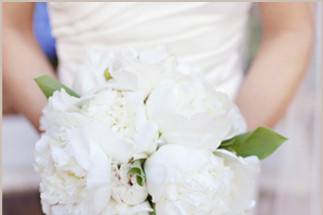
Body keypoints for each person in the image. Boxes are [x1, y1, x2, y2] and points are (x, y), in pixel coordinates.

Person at [3, 2, 314, 132]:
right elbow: (9, 26)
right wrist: (67, 138)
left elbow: (289, 30)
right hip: (83, 179)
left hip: (211, 187)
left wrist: (227, 151)